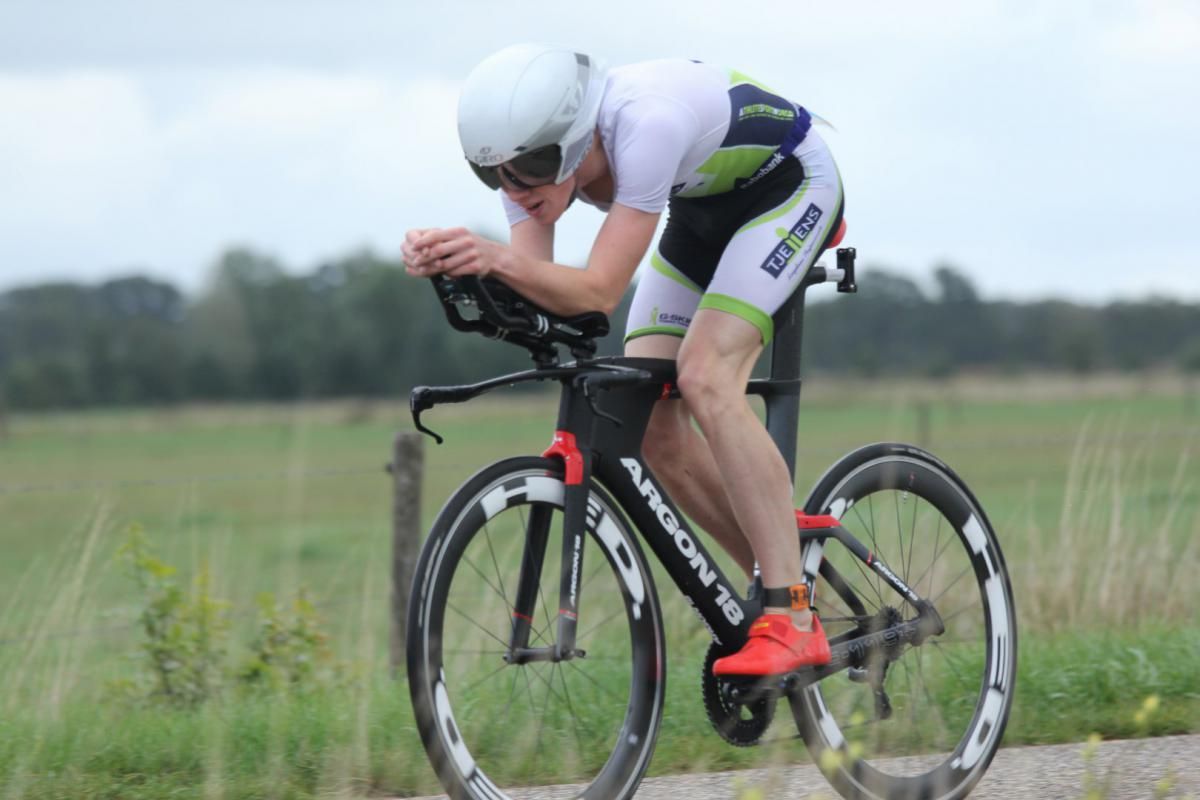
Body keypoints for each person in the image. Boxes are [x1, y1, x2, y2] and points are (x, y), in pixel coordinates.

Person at [403, 44, 844, 676]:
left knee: (706, 378)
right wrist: (455, 265)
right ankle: (780, 573)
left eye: (530, 165)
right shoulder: (529, 177)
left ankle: (793, 612)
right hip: (703, 212)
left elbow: (598, 291)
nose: (516, 187)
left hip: (789, 186)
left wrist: (494, 257)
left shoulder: (646, 126)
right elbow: (545, 294)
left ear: (579, 139)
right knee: (654, 421)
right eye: (494, 174)